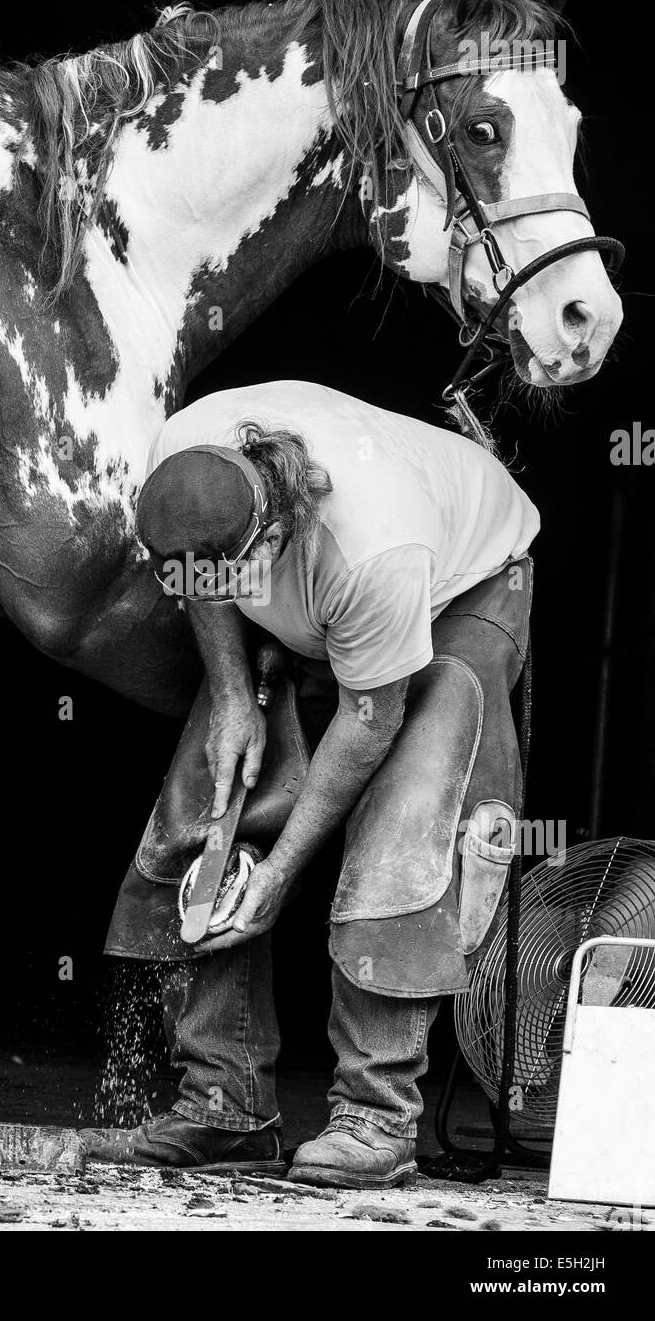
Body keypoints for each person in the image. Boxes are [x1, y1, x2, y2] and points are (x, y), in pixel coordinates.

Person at [84, 380, 537, 1187]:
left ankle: (375, 1116)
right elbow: (202, 583)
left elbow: (370, 720)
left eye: (227, 572)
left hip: (456, 589)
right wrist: (230, 694)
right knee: (210, 810)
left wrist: (284, 872)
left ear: (271, 537)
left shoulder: (374, 548)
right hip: (318, 599)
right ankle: (222, 1105)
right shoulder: (186, 459)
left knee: (403, 827)